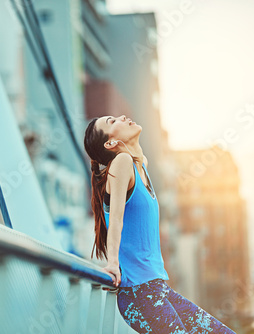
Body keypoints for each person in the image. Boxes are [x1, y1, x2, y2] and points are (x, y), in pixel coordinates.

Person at [83, 115, 236, 334]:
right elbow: (116, 218)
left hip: (158, 288)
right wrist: (113, 263)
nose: (122, 117)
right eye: (112, 122)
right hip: (138, 293)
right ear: (110, 143)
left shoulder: (141, 167)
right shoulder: (121, 162)